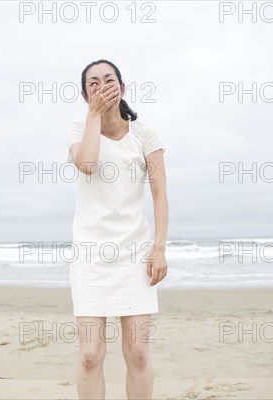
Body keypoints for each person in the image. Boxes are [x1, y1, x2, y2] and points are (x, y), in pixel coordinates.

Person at [66, 59, 169, 399]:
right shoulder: (77, 132)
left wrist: (159, 248)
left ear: (123, 88)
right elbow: (89, 165)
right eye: (93, 83)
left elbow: (159, 195)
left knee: (138, 353)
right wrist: (93, 117)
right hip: (90, 257)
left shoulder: (145, 135)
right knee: (90, 354)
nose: (101, 86)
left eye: (108, 80)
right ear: (85, 95)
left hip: (134, 256)